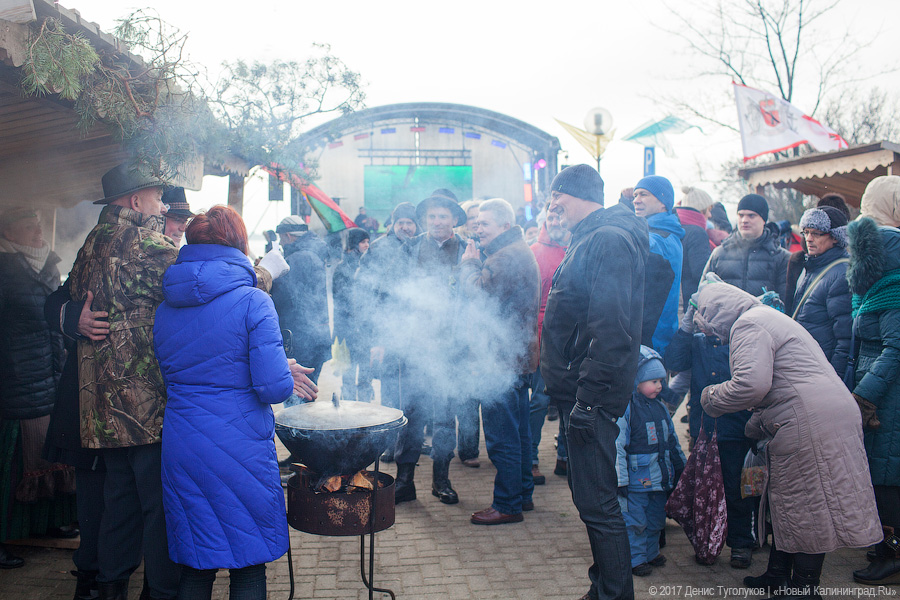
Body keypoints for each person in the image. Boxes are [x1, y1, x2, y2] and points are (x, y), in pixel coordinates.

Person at [153, 205, 317, 600]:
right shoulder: (253, 301)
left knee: (196, 562)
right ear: (238, 244)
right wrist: (282, 369)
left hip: (183, 442)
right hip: (238, 443)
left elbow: (185, 369)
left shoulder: (165, 307)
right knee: (247, 564)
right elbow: (274, 389)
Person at [694, 281, 882, 599]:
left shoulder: (748, 323)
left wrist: (710, 398)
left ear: (718, 313)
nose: (714, 336)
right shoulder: (766, 317)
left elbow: (751, 385)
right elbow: (782, 381)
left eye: (710, 328)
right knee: (790, 501)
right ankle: (779, 574)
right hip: (823, 414)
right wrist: (756, 424)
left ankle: (803, 587)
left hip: (810, 421)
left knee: (808, 504)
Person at [65, 163, 180, 599]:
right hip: (144, 406)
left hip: (100, 409)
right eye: (157, 197)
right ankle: (162, 593)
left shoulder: (93, 241)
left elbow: (75, 293)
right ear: (135, 201)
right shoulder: (147, 243)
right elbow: (204, 282)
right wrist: (263, 274)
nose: (163, 205)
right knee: (158, 508)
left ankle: (109, 590)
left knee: (119, 506)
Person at [541, 164, 648, 600]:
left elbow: (611, 329)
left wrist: (587, 400)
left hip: (592, 395)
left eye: (555, 200)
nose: (552, 209)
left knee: (599, 503)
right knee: (592, 500)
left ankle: (613, 594)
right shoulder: (593, 236)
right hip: (583, 392)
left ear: (571, 195)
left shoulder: (605, 239)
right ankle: (602, 586)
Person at [0, 207, 74, 569]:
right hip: (14, 379)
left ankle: (41, 524)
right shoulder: (4, 270)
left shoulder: (46, 267)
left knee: (45, 455)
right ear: (9, 234)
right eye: (28, 228)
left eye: (38, 226)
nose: (37, 233)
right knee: (9, 466)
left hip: (47, 375)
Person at [460, 198, 540, 525]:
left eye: (485, 224)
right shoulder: (515, 250)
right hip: (515, 357)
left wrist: (467, 264)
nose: (478, 229)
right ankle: (522, 494)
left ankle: (507, 504)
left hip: (499, 361)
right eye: (476, 223)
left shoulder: (506, 256)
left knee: (501, 437)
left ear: (504, 226)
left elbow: (478, 295)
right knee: (518, 432)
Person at [393, 192, 468, 505]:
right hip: (414, 343)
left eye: (443, 217)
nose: (437, 222)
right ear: (425, 221)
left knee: (444, 416)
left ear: (453, 220)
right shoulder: (409, 249)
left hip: (450, 345)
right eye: (432, 217)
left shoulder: (466, 249)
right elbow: (395, 295)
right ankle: (404, 481)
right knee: (410, 413)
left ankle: (441, 480)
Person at [846, 216, 900, 586]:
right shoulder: (874, 293)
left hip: (887, 400)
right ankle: (884, 545)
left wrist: (865, 394)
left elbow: (895, 350)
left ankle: (891, 554)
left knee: (886, 478)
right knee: (879, 475)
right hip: (876, 394)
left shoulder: (893, 294)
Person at [615, 346, 685, 577]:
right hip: (636, 483)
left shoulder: (660, 408)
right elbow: (617, 446)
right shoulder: (627, 408)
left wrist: (681, 467)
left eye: (661, 380)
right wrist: (621, 480)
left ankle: (651, 553)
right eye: (652, 381)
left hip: (659, 480)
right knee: (635, 521)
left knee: (656, 520)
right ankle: (635, 560)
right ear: (636, 381)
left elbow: (672, 440)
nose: (659, 386)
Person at [528, 210, 570, 484]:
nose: (555, 223)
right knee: (540, 401)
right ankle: (530, 458)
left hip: (574, 337)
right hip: (544, 336)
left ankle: (567, 457)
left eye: (560, 217)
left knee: (571, 400)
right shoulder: (533, 251)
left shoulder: (580, 246)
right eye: (550, 218)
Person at [786, 207, 851, 376]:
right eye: (806, 232)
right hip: (804, 367)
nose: (808, 238)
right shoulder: (810, 266)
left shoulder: (841, 274)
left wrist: (834, 379)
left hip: (822, 372)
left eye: (816, 233)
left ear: (836, 237)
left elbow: (845, 339)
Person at [270, 216, 331, 385]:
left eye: (281, 238)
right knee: (308, 393)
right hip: (315, 337)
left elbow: (282, 297)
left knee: (298, 398)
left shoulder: (298, 259)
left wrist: (269, 277)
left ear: (288, 236)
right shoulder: (312, 254)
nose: (281, 243)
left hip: (302, 340)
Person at [702, 193, 790, 299]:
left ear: (763, 219)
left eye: (751, 215)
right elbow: (701, 295)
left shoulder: (781, 257)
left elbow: (785, 303)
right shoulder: (719, 254)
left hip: (763, 315)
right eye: (741, 215)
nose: (744, 220)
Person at [633, 175, 684, 355]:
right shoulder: (668, 234)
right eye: (635, 195)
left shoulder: (656, 239)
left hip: (650, 337)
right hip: (657, 334)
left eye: (643, 195)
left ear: (663, 202)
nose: (636, 201)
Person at [332, 227, 372, 402]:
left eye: (368, 242)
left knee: (365, 374)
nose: (367, 245)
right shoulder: (343, 268)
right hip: (348, 330)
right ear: (354, 244)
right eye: (363, 242)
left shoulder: (368, 265)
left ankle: (365, 410)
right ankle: (349, 410)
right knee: (348, 373)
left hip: (364, 329)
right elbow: (340, 302)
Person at [675, 186, 714, 307]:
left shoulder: (674, 228)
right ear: (701, 210)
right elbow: (701, 273)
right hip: (689, 303)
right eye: (708, 209)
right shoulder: (697, 233)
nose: (710, 214)